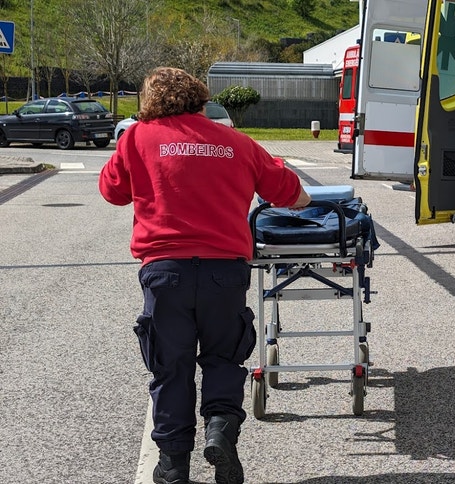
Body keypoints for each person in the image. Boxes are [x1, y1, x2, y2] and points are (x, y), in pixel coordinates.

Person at [99, 66, 311, 484]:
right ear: (200, 98)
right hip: (224, 273)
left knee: (171, 367)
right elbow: (293, 193)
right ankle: (220, 431)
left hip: (165, 273)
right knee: (223, 358)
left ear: (149, 101)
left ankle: (174, 465)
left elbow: (112, 192)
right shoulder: (235, 142)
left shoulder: (137, 138)